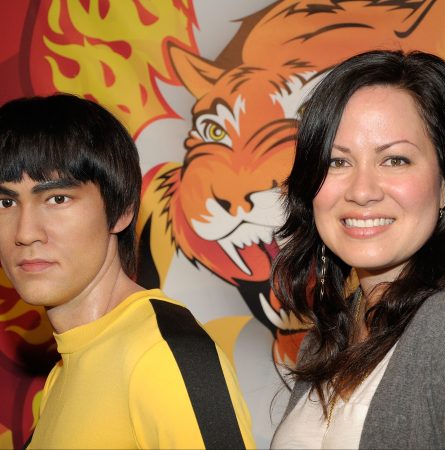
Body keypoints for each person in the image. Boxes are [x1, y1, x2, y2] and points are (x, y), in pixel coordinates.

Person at [0, 94, 255, 449]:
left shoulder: (164, 354)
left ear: (121, 211)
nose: (25, 232)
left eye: (58, 198)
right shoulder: (67, 368)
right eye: (6, 202)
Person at [270, 49, 445, 449]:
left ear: (444, 185)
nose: (362, 191)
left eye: (395, 160)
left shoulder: (444, 326)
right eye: (337, 162)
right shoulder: (330, 333)